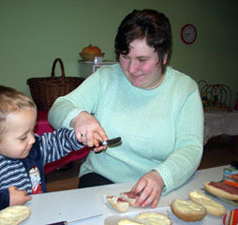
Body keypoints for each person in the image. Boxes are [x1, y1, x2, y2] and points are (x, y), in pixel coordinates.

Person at [48, 9, 204, 208]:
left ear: (164, 57)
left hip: (160, 184)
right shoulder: (106, 77)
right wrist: (79, 117)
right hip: (100, 178)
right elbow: (57, 109)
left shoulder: (185, 89)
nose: (131, 69)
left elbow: (190, 148)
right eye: (125, 56)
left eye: (142, 60)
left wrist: (161, 176)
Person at [0, 84, 101, 214]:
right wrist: (5, 199)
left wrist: (79, 136)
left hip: (39, 214)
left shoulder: (34, 150)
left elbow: (56, 142)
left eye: (32, 130)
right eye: (23, 137)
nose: (33, 139)